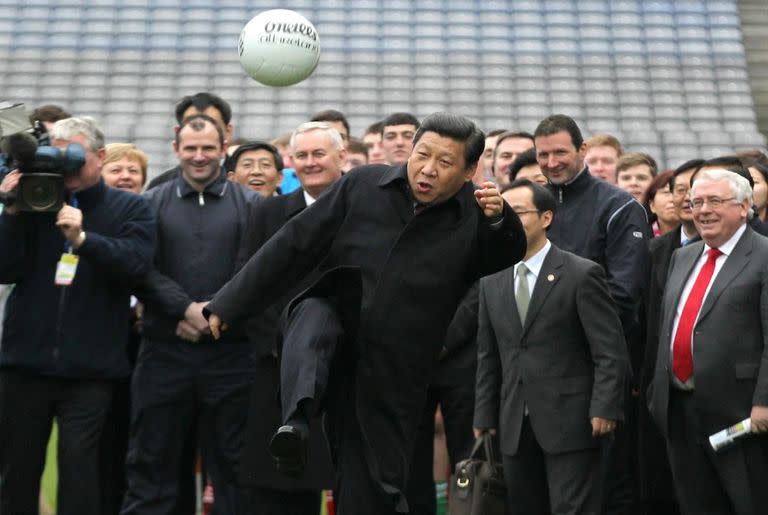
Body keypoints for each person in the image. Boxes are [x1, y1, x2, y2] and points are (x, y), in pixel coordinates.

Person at [206, 113, 526, 514]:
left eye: (444, 163)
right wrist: (230, 302)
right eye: (422, 155)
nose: (427, 169)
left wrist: (499, 218)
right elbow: (294, 242)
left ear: (469, 170)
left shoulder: (474, 217)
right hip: (330, 330)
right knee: (315, 308)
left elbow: (508, 252)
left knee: (374, 484)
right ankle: (298, 420)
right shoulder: (363, 184)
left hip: (393, 367)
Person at [0, 116, 156, 515]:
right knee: (17, 472)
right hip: (24, 365)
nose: (64, 168)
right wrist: (12, 214)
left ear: (100, 157)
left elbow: (136, 265)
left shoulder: (131, 207)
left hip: (91, 370)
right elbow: (4, 269)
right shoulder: (36, 203)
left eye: (75, 157)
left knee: (80, 470)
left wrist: (84, 240)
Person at [121, 114, 261, 515]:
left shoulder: (252, 205)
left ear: (223, 149)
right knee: (151, 463)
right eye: (191, 148)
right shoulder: (148, 203)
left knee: (235, 468)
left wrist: (215, 311)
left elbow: (254, 269)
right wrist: (182, 308)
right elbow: (139, 267)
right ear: (176, 149)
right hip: (165, 353)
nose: (199, 156)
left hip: (231, 357)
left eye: (208, 148)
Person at [475, 179, 628, 514]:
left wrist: (604, 406)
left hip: (571, 420)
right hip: (514, 421)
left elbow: (609, 351)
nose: (510, 220)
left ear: (546, 218)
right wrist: (484, 414)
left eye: (518, 212)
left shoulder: (581, 274)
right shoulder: (491, 280)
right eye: (503, 213)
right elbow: (489, 356)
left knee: (571, 508)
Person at [534, 114, 650, 514]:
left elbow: (623, 295)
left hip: (594, 369)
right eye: (543, 154)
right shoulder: (533, 206)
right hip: (537, 374)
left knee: (604, 486)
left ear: (582, 150)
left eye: (560, 152)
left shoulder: (618, 207)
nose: (551, 162)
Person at [237, 122, 345, 514]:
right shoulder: (270, 213)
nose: (310, 163)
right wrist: (284, 348)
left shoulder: (371, 208)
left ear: (341, 157)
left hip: (353, 370)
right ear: (290, 163)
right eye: (302, 156)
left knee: (359, 480)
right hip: (280, 370)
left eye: (319, 154)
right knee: (282, 487)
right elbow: (249, 283)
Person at [647, 169, 768, 515]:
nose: (703, 210)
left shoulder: (763, 256)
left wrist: (764, 403)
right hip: (679, 412)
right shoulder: (682, 256)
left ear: (744, 206)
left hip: (741, 413)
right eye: (696, 202)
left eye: (715, 201)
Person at [145, 92, 234, 190]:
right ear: (178, 132)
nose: (201, 131)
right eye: (193, 125)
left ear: (228, 132)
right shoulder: (159, 187)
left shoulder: (246, 180)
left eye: (212, 124)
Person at [643, 170, 679, 237]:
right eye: (666, 192)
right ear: (652, 205)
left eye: (679, 191)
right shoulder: (640, 237)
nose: (672, 199)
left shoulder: (701, 237)